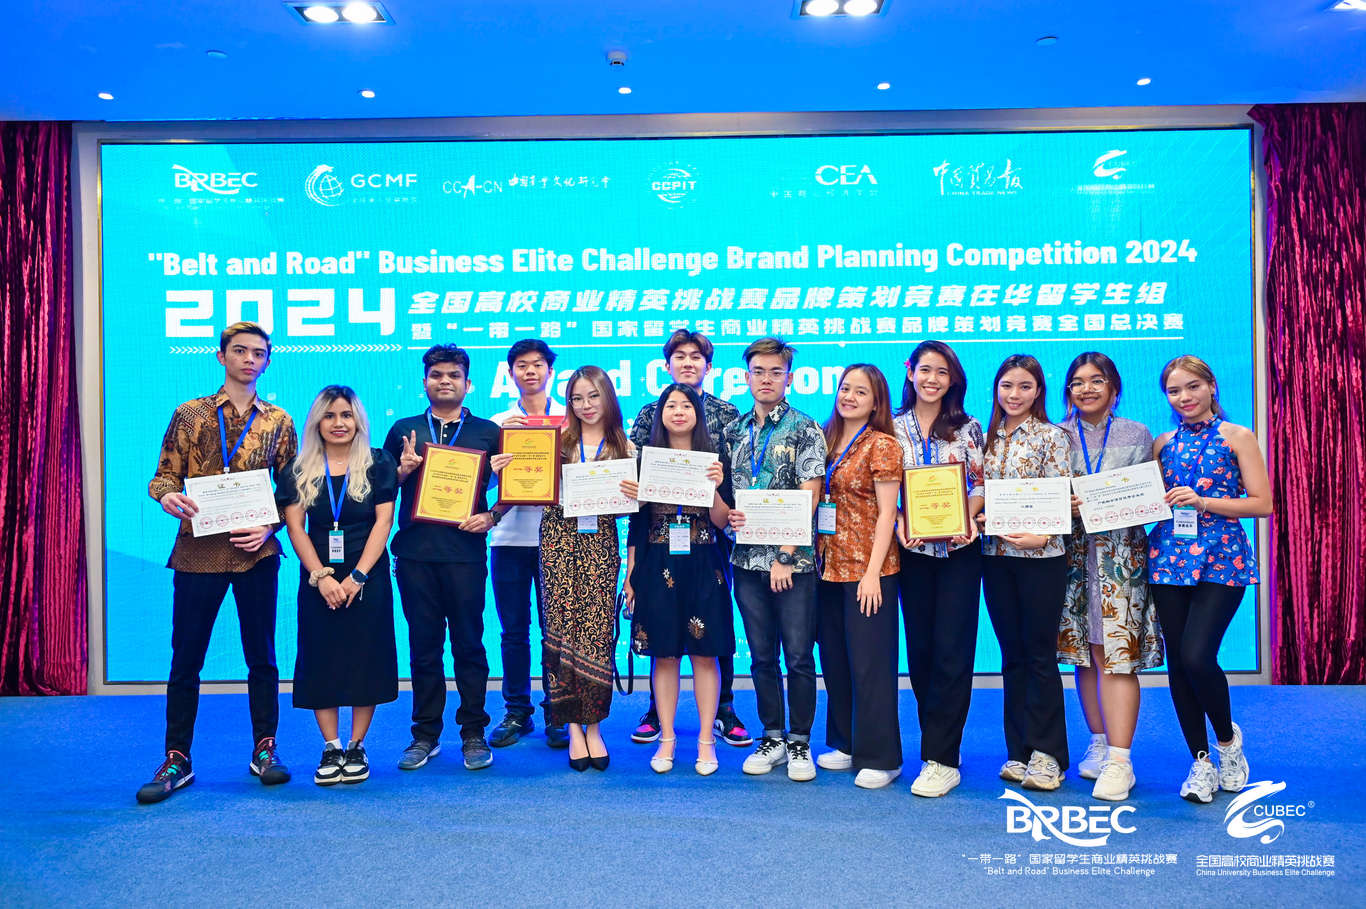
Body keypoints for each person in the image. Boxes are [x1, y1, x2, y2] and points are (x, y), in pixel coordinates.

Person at [137, 321, 298, 804]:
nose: (249, 359)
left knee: (262, 657)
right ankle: (177, 758)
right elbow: (163, 477)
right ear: (221, 356)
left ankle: (265, 749)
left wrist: (270, 528)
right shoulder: (190, 414)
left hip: (256, 552)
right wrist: (168, 497)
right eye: (240, 351)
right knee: (186, 659)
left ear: (267, 361)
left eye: (258, 353)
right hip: (197, 550)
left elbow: (292, 492)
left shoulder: (279, 421)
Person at [1147, 355, 1270, 804]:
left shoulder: (1237, 436)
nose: (1184, 397)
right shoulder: (1162, 443)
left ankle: (1227, 743)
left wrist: (1204, 502)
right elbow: (1146, 500)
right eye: (1174, 391)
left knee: (1198, 656)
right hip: (1168, 559)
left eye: (1192, 387)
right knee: (1178, 664)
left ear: (1211, 386)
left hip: (1223, 559)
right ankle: (1200, 762)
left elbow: (1262, 503)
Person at [383, 344, 504, 773]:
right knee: (424, 648)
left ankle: (473, 732)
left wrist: (492, 515)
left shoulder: (488, 432)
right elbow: (381, 489)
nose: (445, 381)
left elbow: (515, 486)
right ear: (425, 382)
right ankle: (425, 734)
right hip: (415, 555)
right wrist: (402, 470)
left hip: (465, 555)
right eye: (437, 375)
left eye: (454, 375)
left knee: (469, 645)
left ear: (468, 384)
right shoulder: (405, 429)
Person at [628, 329, 750, 748]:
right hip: (658, 544)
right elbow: (637, 482)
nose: (687, 363)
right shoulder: (649, 414)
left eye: (695, 356)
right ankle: (657, 714)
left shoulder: (728, 413)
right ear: (667, 365)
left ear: (708, 366)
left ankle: (723, 711)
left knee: (710, 637)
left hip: (711, 543)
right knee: (662, 641)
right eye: (679, 356)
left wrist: (720, 491)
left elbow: (734, 483)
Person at [278, 386, 398, 785]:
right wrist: (321, 577)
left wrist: (357, 576)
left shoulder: (379, 463)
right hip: (318, 578)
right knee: (321, 659)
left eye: (346, 415)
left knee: (366, 659)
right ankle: (331, 746)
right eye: (329, 415)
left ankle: (357, 745)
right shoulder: (298, 468)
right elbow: (295, 527)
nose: (338, 423)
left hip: (368, 575)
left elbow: (383, 522)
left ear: (358, 420)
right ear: (317, 422)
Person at [1057, 353, 1162, 802]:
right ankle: (1098, 742)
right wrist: (1063, 503)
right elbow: (1041, 496)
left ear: (1114, 388)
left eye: (1096, 380)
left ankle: (1121, 759)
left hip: (1121, 558)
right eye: (1078, 382)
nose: (1087, 389)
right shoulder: (1057, 435)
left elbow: (1151, 494)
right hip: (1071, 556)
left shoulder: (1137, 433)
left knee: (1116, 654)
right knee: (1084, 654)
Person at [724, 337, 827, 782]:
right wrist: (727, 514)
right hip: (746, 562)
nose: (766, 379)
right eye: (758, 372)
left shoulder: (805, 428)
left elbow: (811, 495)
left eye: (775, 372)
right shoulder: (733, 431)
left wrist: (785, 554)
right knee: (762, 657)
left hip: (793, 565)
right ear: (747, 377)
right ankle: (772, 737)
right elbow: (728, 498)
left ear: (789, 378)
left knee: (799, 656)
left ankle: (800, 741)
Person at [888, 340, 985, 798]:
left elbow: (980, 484)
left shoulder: (968, 427)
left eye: (942, 372)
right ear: (910, 372)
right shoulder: (890, 427)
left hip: (960, 553)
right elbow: (883, 490)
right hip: (912, 553)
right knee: (922, 654)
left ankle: (942, 758)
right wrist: (900, 522)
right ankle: (939, 741)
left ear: (953, 380)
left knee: (953, 651)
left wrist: (968, 516)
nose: (932, 379)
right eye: (925, 370)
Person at [622, 384, 734, 775]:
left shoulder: (714, 459)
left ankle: (706, 741)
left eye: (687, 405)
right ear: (661, 414)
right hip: (657, 563)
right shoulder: (645, 461)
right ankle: (667, 739)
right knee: (664, 655)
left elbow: (722, 521)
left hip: (704, 563)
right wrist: (631, 575)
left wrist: (716, 488)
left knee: (706, 654)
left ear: (697, 414)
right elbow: (637, 524)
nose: (679, 411)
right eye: (671, 405)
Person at [979, 354, 1073, 791]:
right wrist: (974, 516)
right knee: (1012, 656)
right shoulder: (986, 438)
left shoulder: (1052, 437)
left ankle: (1049, 754)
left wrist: (1044, 533)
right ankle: (1018, 751)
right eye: (1007, 386)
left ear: (1038, 392)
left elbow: (1060, 494)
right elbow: (975, 492)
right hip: (995, 556)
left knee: (1039, 655)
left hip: (1041, 558)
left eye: (1024, 386)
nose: (1014, 395)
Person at [538, 365, 634, 771]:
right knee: (562, 630)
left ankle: (594, 726)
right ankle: (573, 726)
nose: (585, 405)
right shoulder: (555, 442)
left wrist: (634, 494)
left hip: (601, 545)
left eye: (593, 396)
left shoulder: (624, 445)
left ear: (607, 397)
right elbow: (532, 487)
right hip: (558, 540)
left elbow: (632, 509)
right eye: (577, 398)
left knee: (596, 632)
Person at [814, 364, 904, 789]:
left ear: (876, 401)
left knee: (871, 666)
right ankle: (846, 742)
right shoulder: (825, 439)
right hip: (826, 568)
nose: (849, 397)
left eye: (860, 392)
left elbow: (888, 513)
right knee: (835, 662)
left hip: (869, 572)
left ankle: (882, 757)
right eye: (845, 388)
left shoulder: (882, 445)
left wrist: (872, 574)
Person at [486, 339, 569, 750]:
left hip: (558, 538)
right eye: (522, 365)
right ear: (511, 373)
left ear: (550, 372)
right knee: (513, 632)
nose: (530, 371)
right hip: (508, 538)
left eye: (538, 364)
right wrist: (495, 465)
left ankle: (558, 710)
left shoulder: (569, 419)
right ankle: (517, 709)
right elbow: (480, 483)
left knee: (556, 632)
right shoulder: (498, 423)